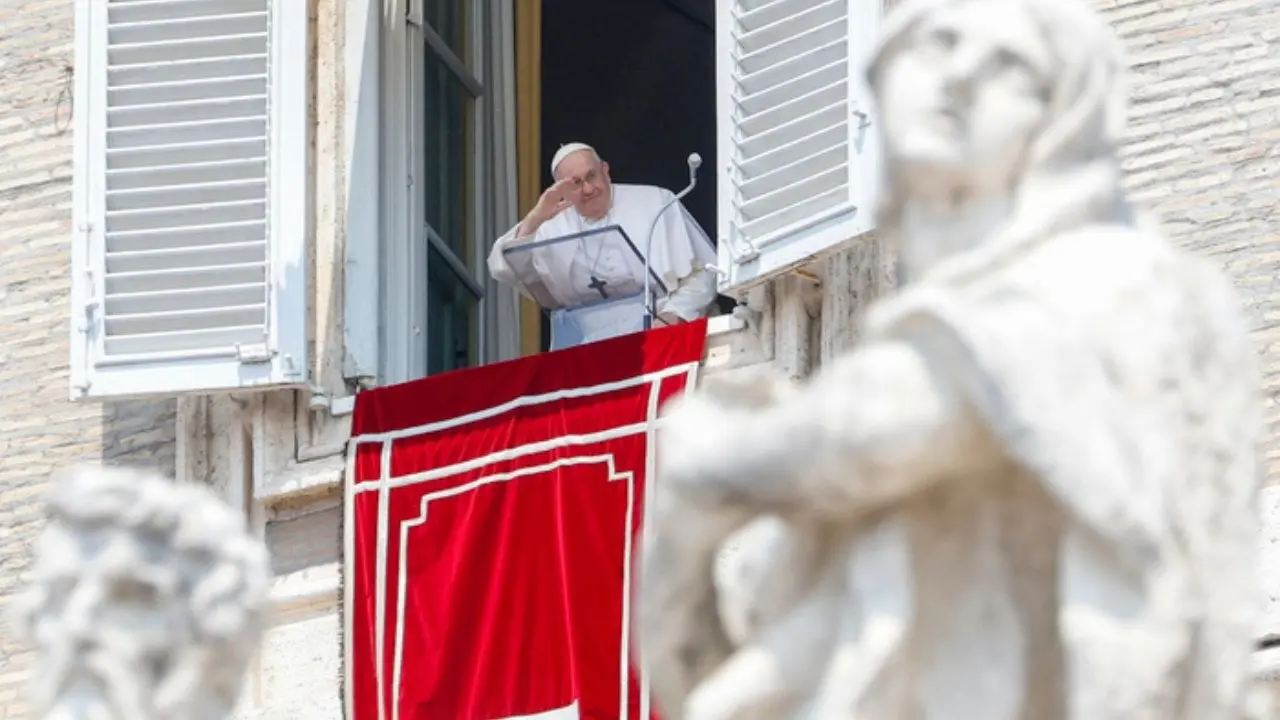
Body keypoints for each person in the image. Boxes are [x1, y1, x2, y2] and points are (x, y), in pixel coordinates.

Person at [487, 142, 718, 349]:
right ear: (560, 189)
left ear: (605, 171)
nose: (588, 189)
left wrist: (673, 316)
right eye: (575, 183)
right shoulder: (551, 228)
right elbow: (502, 267)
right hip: (589, 353)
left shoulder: (656, 202)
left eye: (592, 176)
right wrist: (536, 216)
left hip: (664, 337)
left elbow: (705, 272)